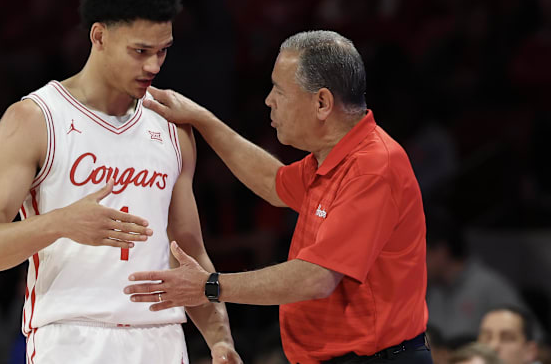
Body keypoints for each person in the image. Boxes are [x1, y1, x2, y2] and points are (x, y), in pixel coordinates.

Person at [0, 0, 241, 363]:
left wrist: (220, 339)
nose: (154, 66)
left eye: (163, 51)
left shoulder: (173, 129)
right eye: (140, 51)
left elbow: (189, 250)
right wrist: (61, 223)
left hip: (161, 338)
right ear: (99, 36)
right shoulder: (36, 119)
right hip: (72, 338)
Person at [124, 30, 431, 364]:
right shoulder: (333, 157)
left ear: (322, 103)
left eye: (280, 91)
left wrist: (208, 285)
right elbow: (272, 183)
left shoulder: (373, 166)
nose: (269, 100)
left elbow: (315, 278)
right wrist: (203, 119)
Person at [426, 208, 526, 342]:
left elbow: (537, 344)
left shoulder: (489, 285)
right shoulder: (432, 290)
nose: (414, 263)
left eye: (420, 253)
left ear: (441, 251)